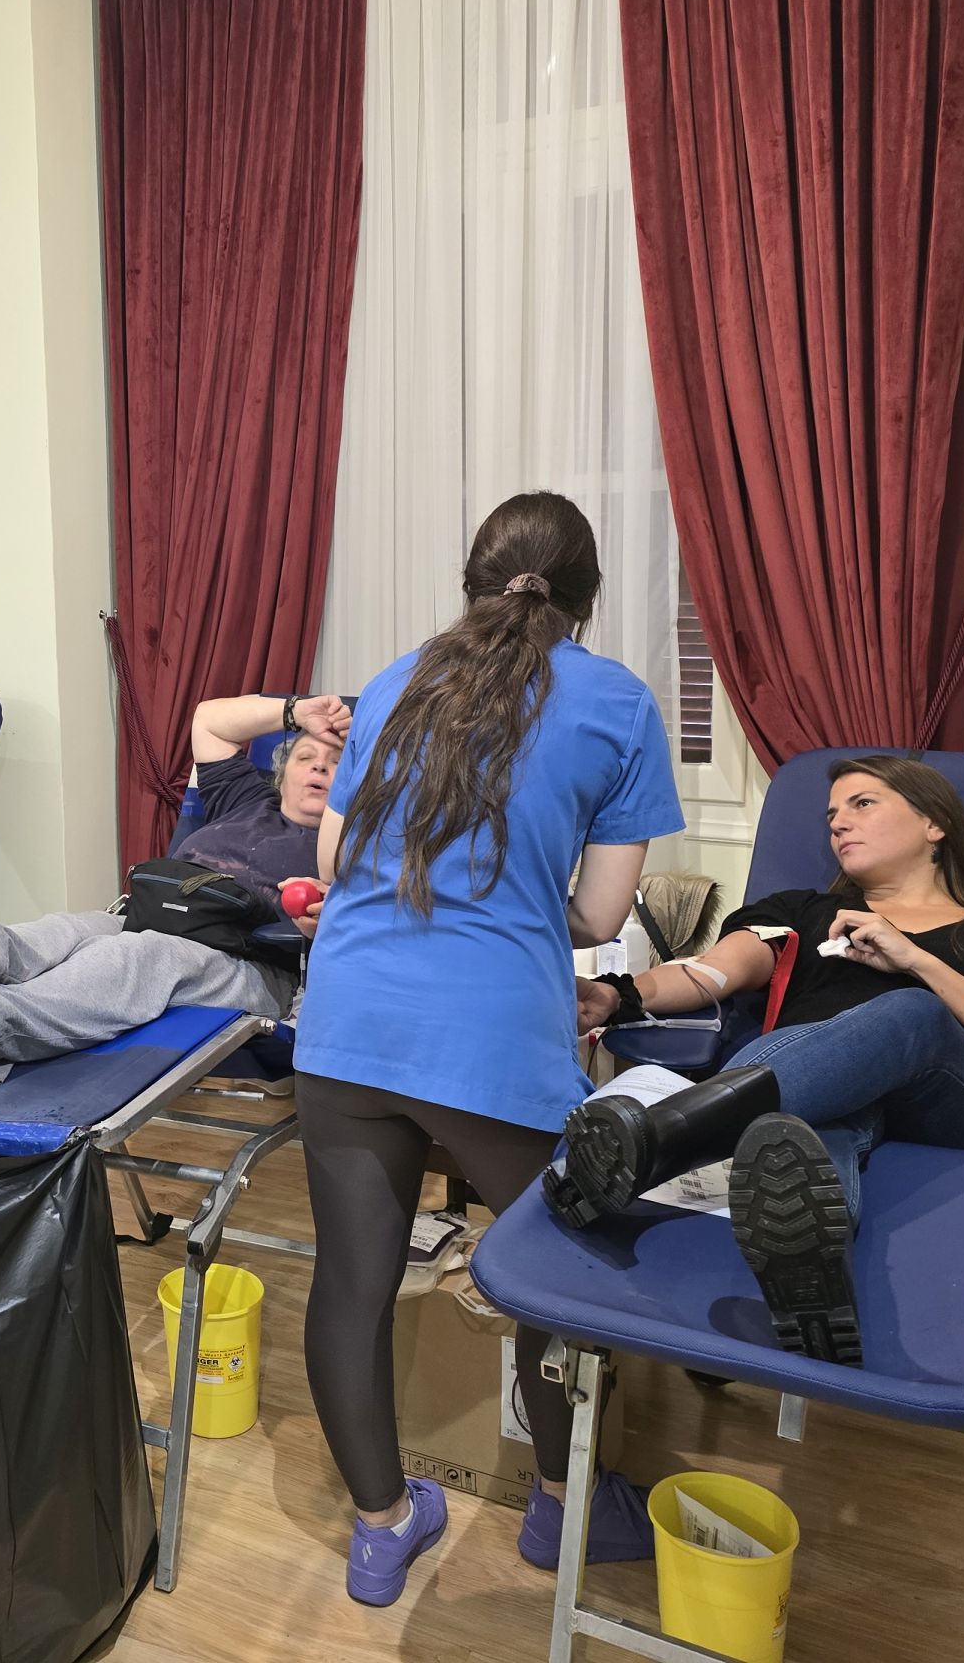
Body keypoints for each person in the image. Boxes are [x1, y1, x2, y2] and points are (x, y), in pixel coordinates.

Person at [287, 492, 684, 1605]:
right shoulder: (619, 702)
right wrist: (512, 891)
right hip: (494, 1043)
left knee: (351, 1284)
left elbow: (334, 856)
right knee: (551, 1285)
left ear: (471, 583)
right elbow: (600, 915)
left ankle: (381, 1531)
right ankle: (559, 1508)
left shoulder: (395, 681)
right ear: (585, 599)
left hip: (348, 1027)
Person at [547, 754, 964, 1367]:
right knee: (795, 1139)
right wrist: (617, 995)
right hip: (817, 1106)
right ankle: (810, 1297)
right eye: (832, 814)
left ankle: (660, 1141)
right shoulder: (807, 913)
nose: (839, 822)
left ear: (935, 824)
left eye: (862, 803)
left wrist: (919, 963)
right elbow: (713, 971)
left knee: (912, 1014)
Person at [0, 690, 350, 1097]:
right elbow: (209, 721)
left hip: (251, 963)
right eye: (306, 756)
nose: (319, 766)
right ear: (281, 774)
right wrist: (297, 712)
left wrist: (331, 908)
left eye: (336, 764)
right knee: (67, 931)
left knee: (136, 956)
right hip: (156, 914)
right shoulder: (245, 798)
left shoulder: (356, 843)